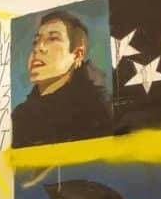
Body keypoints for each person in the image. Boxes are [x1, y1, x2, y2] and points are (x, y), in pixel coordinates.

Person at [12, 11, 115, 148]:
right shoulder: (20, 116)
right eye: (35, 42)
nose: (38, 48)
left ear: (77, 54)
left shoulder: (98, 109)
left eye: (53, 39)